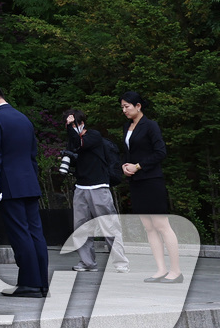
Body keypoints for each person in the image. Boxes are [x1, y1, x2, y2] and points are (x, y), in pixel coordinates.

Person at [0, 81, 49, 297]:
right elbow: (32, 156)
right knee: (36, 232)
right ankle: (41, 282)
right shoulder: (23, 119)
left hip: (9, 185)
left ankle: (29, 283)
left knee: (19, 233)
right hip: (29, 183)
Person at [120, 91, 182, 282]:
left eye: (127, 106)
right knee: (149, 227)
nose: (124, 110)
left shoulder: (150, 125)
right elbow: (129, 152)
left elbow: (160, 152)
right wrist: (125, 166)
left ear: (138, 106)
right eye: (122, 107)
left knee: (162, 225)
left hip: (151, 180)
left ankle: (176, 271)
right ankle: (161, 269)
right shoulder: (127, 127)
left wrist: (138, 166)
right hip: (136, 182)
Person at [62, 109, 129, 273]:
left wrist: (71, 127)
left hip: (99, 187)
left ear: (81, 123)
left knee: (109, 226)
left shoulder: (94, 135)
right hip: (81, 188)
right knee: (81, 228)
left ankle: (121, 263)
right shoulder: (72, 139)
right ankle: (87, 263)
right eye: (67, 124)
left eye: (73, 124)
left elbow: (80, 144)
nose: (70, 127)